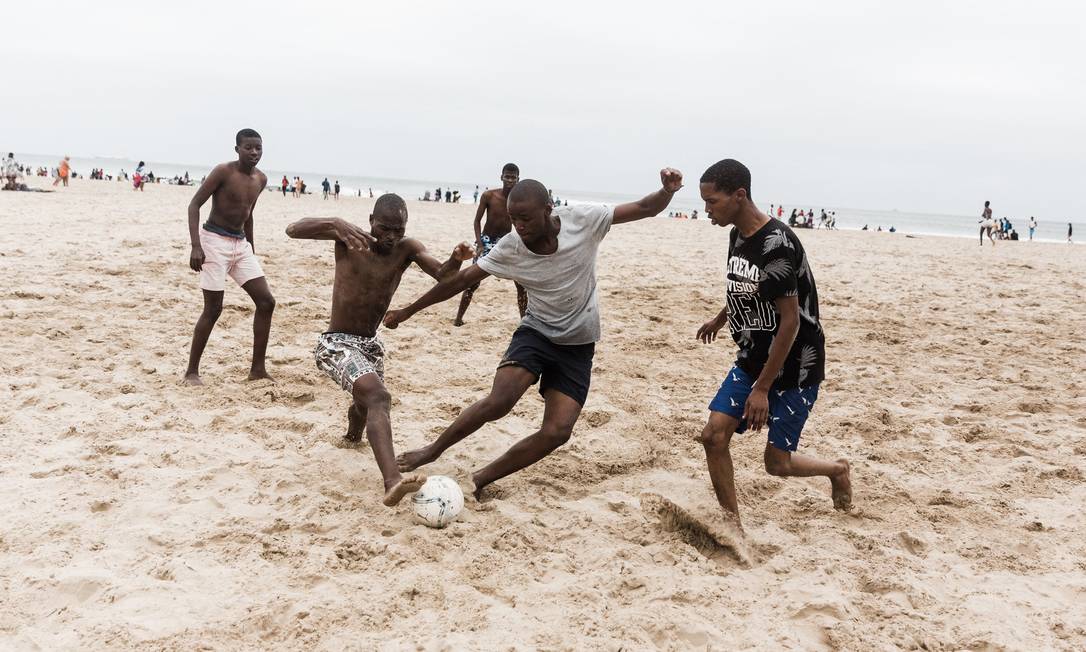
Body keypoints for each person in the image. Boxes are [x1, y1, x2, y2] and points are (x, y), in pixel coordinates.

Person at [383, 168, 684, 500]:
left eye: (525, 218)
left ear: (548, 208)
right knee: (500, 401)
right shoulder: (511, 247)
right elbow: (461, 281)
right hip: (536, 333)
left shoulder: (583, 220)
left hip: (578, 344)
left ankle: (479, 479)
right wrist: (408, 311)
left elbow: (645, 208)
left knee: (557, 431)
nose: (519, 226)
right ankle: (431, 450)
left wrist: (666, 191)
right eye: (513, 219)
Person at [285, 195, 474, 506]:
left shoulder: (406, 249)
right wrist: (335, 223)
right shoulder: (349, 238)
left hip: (370, 345)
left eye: (398, 230)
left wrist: (456, 258)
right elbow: (293, 229)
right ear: (371, 220)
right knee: (379, 397)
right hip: (336, 343)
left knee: (366, 404)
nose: (391, 237)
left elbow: (443, 274)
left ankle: (352, 438)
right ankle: (392, 481)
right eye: (385, 229)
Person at [694, 158, 850, 528]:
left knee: (776, 463)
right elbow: (748, 287)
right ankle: (733, 527)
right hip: (753, 356)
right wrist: (721, 317)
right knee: (714, 437)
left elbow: (791, 321)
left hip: (795, 365)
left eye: (712, 201)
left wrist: (762, 389)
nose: (706, 210)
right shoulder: (738, 234)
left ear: (739, 195)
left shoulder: (776, 245)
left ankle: (837, 470)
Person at [183, 128, 275, 386]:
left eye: (258, 148)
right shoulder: (223, 171)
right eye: (248, 147)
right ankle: (191, 371)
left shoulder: (261, 179)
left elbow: (249, 214)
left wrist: (251, 248)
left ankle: (257, 370)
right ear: (237, 149)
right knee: (213, 309)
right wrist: (195, 245)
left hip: (240, 245)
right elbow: (194, 205)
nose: (254, 152)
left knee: (266, 302)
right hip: (213, 242)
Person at [454, 163, 528, 326]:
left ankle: (525, 322)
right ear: (501, 177)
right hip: (486, 241)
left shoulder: (516, 201)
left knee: (521, 283)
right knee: (472, 281)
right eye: (507, 176)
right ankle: (458, 319)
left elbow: (518, 224)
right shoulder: (489, 196)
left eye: (513, 177)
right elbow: (477, 221)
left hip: (506, 242)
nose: (510, 180)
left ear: (518, 179)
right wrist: (479, 243)